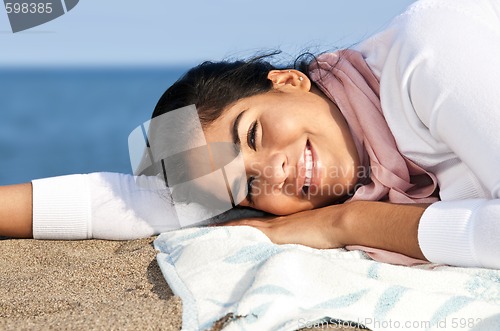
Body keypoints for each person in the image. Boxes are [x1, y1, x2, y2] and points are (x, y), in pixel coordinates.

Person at [1, 0, 499, 269]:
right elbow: (129, 200)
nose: (274, 172)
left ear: (287, 81)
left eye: (254, 135)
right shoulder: (340, 161)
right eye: (248, 188)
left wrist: (348, 223)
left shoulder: (431, 51)